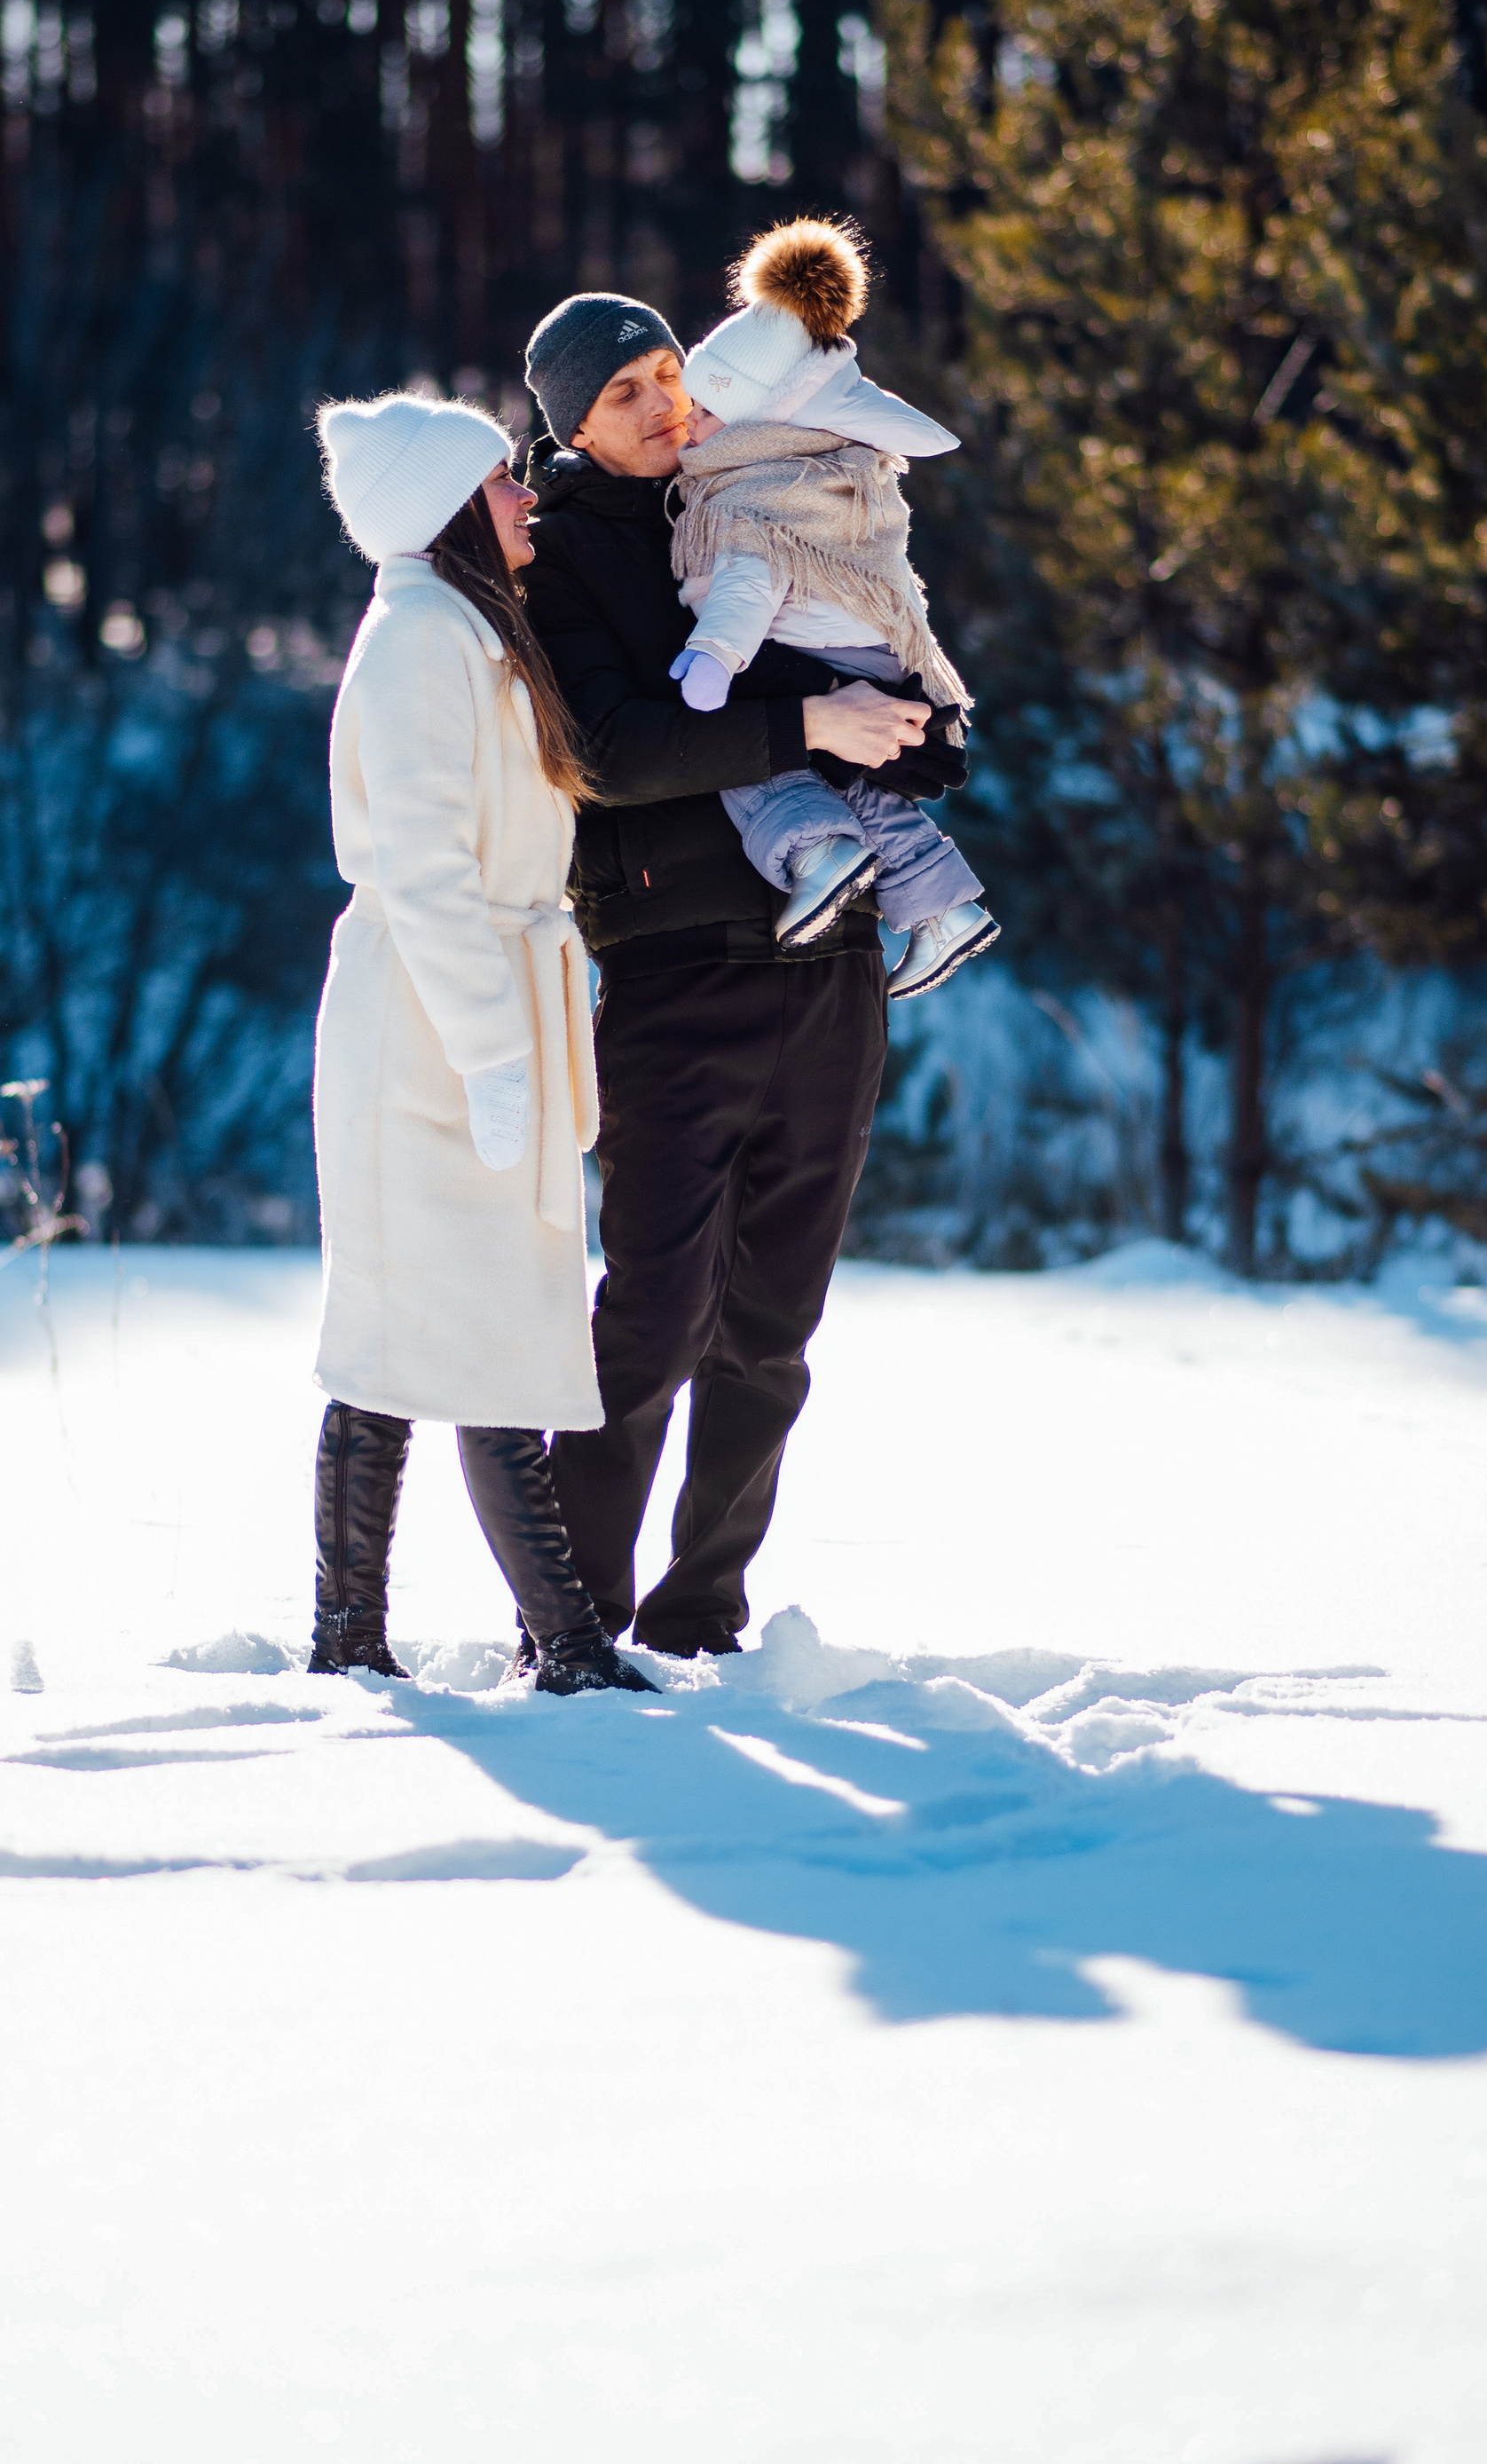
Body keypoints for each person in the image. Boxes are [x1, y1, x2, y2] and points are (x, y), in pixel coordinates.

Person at [518, 272, 973, 1658]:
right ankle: (577, 1619)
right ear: (573, 424)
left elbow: (914, 709)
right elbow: (609, 748)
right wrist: (813, 725)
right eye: (623, 393)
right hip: (675, 964)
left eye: (669, 372)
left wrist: (909, 724)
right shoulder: (563, 548)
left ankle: (701, 1613)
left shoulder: (778, 481)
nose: (662, 406)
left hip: (832, 963)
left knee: (773, 1323)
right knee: (651, 1316)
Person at [306, 389, 655, 1697]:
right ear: (445, 509)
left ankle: (540, 1641)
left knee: (478, 1316)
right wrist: (495, 1056)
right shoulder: (414, 643)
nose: (527, 495)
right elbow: (425, 871)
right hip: (428, 1029)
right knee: (412, 1322)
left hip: (478, 1009)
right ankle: (411, 1638)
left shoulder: (465, 629)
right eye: (504, 480)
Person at [672, 216, 1000, 1004]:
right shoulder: (830, 469)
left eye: (705, 414)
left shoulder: (753, 490)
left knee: (744, 756)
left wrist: (713, 658)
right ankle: (944, 913)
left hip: (814, 659)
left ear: (762, 423)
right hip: (872, 655)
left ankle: (818, 856)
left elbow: (750, 578)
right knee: (867, 790)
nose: (688, 426)